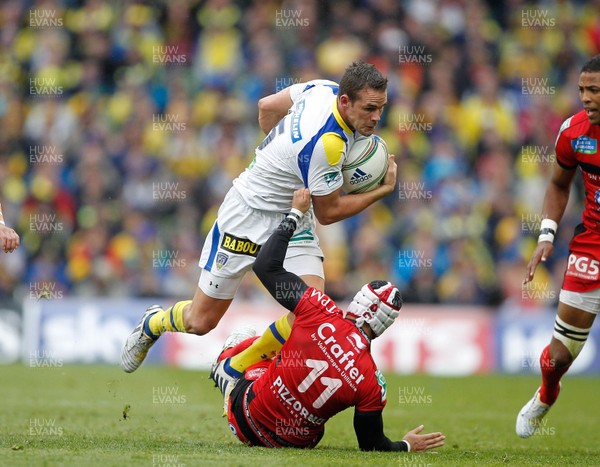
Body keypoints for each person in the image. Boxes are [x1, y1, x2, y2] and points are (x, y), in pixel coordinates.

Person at [121, 61, 397, 374]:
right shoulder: (327, 144)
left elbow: (266, 106)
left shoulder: (322, 88)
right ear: (345, 101)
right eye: (370, 108)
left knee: (310, 313)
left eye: (381, 108)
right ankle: (152, 322)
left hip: (294, 216)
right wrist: (381, 190)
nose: (376, 117)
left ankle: (235, 366)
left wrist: (279, 151)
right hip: (247, 215)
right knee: (200, 321)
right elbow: (329, 212)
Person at [210, 188, 445, 452]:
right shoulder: (372, 380)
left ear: (360, 302)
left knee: (249, 344)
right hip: (295, 444)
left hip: (245, 420)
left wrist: (294, 214)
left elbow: (265, 266)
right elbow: (371, 444)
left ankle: (228, 369)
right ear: (384, 325)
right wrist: (406, 445)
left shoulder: (320, 309)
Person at [516, 55, 600, 437]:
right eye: (582, 89)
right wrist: (546, 235)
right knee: (559, 356)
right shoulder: (573, 132)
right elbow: (558, 184)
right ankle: (548, 392)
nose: (586, 97)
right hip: (592, 247)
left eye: (594, 90)